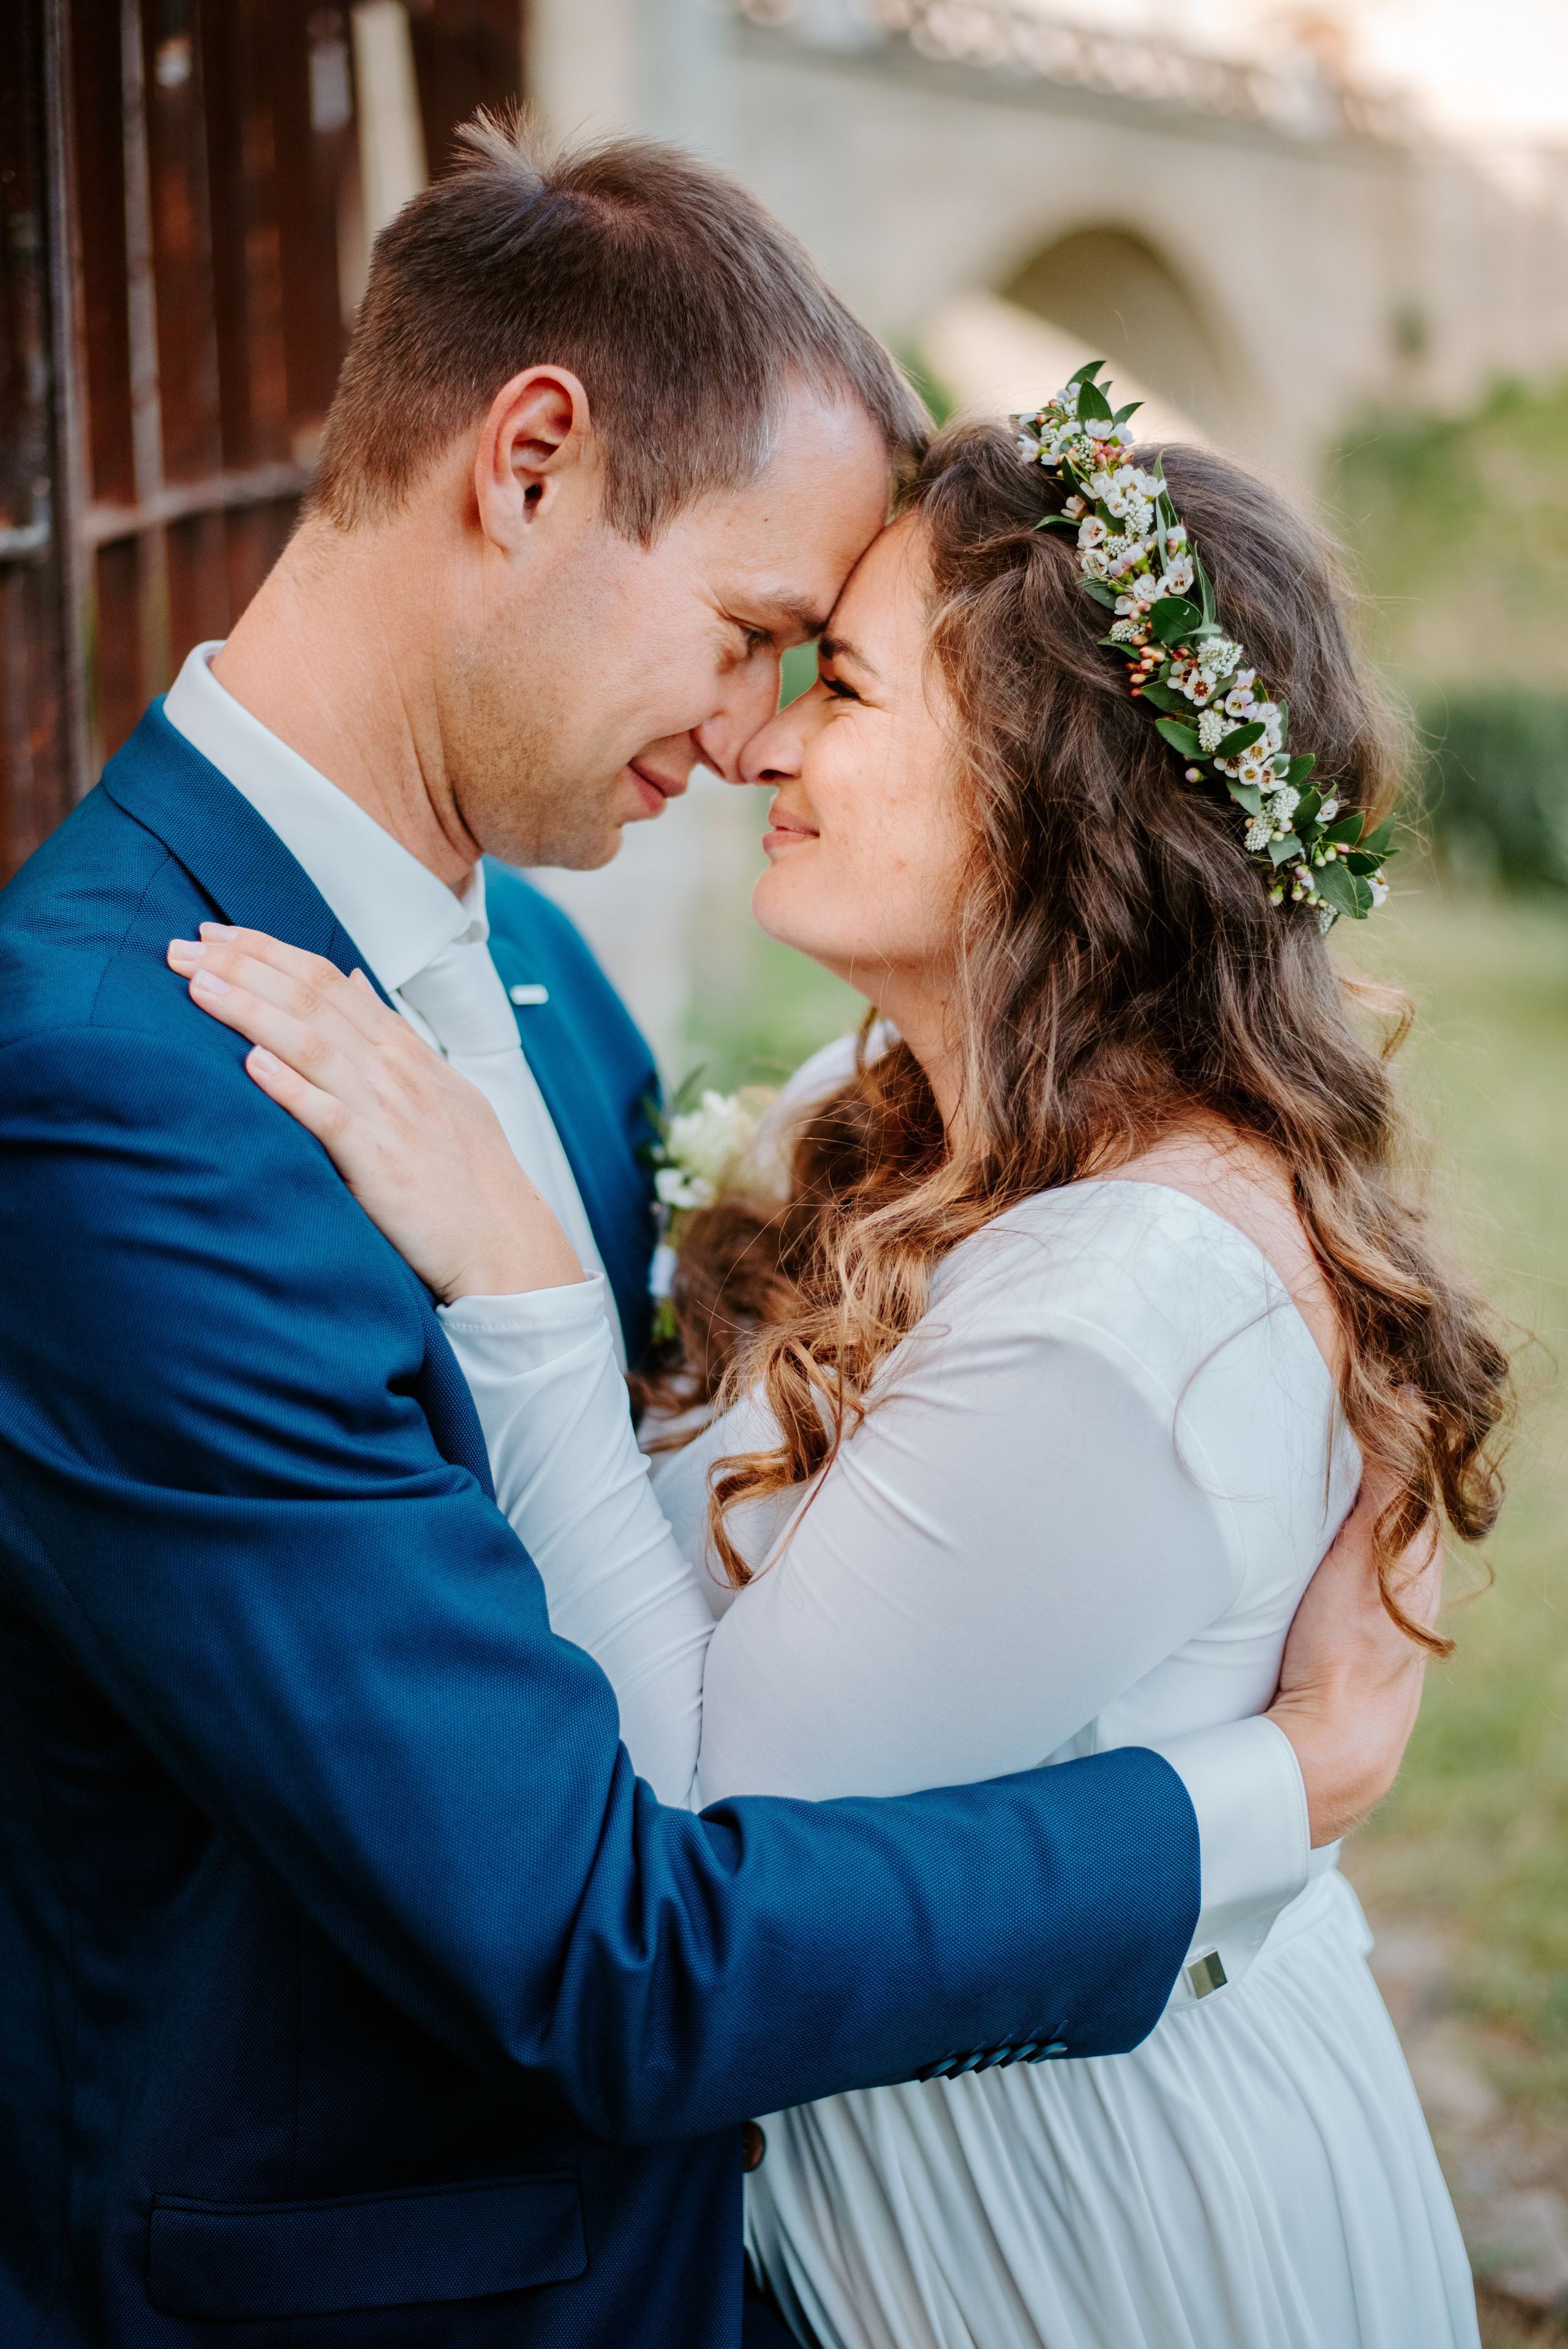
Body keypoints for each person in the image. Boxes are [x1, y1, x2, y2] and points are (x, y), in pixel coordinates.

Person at [0, 121, 1429, 2349]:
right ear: (532, 465)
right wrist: (1265, 1794)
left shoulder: (553, 1001)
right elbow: (612, 1932)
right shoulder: (123, 1079)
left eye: (825, 674)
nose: (760, 733)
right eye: (766, 633)